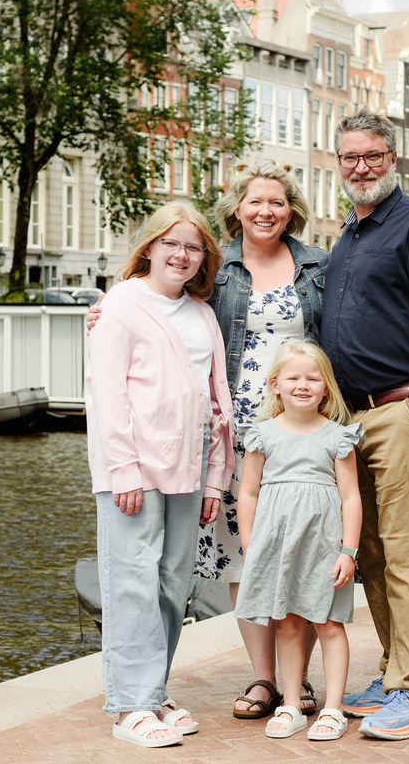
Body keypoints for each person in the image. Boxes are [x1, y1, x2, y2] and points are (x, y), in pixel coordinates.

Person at [88, 158, 329, 719]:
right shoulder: (215, 276)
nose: (266, 211)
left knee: (292, 555)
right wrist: (103, 310)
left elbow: (339, 330)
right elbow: (134, 337)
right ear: (236, 211)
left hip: (288, 432)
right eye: (254, 202)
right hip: (229, 438)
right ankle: (258, 680)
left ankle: (296, 682)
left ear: (291, 209)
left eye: (277, 202)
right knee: (239, 560)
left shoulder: (320, 266)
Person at [323, 108, 409, 741]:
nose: (361, 167)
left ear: (393, 158)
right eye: (350, 158)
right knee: (372, 555)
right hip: (354, 418)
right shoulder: (348, 234)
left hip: (399, 409)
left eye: (372, 156)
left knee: (406, 553)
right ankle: (392, 671)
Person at [85, 200, 235, 748]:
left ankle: (153, 689)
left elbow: (217, 403)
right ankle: (129, 705)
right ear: (148, 247)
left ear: (204, 259)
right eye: (170, 243)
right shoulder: (121, 306)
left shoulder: (203, 315)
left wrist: (216, 476)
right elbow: (108, 394)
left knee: (174, 584)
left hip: (190, 467)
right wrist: (123, 468)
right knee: (131, 583)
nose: (181, 254)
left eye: (193, 247)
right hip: (136, 469)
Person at [234, 342, 363, 742]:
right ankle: (290, 704)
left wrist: (349, 551)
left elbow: (350, 497)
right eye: (293, 377)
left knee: (328, 623)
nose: (303, 385)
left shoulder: (337, 437)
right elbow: (249, 494)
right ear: (275, 385)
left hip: (323, 546)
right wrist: (251, 544)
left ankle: (333, 709)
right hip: (277, 546)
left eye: (313, 377)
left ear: (326, 388)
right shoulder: (262, 435)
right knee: (287, 625)